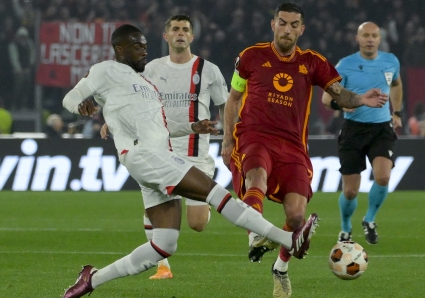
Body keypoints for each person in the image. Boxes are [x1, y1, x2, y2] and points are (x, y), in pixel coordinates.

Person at [61, 24, 318, 298]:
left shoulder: (146, 84)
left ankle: (91, 279)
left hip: (154, 157)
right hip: (145, 155)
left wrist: (193, 127)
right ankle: (288, 239)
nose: (144, 50)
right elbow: (71, 96)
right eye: (138, 45)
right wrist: (80, 106)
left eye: (146, 45)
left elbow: (160, 125)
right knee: (216, 193)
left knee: (164, 244)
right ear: (120, 48)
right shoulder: (105, 70)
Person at [222, 4, 389, 298]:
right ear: (273, 24)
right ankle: (255, 235)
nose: (288, 29)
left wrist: (361, 99)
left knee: (297, 216)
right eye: (283, 23)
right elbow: (233, 99)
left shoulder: (313, 62)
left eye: (294, 25)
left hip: (293, 146)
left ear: (302, 29)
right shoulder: (250, 56)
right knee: (256, 176)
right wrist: (227, 141)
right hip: (255, 135)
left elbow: (340, 95)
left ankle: (280, 269)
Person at [104, 14, 229, 280]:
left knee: (196, 224)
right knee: (155, 207)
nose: (180, 33)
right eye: (175, 29)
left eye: (185, 29)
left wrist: (230, 136)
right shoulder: (151, 69)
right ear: (166, 36)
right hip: (159, 151)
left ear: (192, 37)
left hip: (196, 154)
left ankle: (199, 205)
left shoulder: (209, 70)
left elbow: (225, 105)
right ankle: (163, 267)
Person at [321, 22, 403, 246]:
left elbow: (396, 84)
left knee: (383, 177)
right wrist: (342, 106)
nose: (370, 39)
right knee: (350, 191)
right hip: (353, 131)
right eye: (365, 35)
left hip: (381, 129)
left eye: (374, 35)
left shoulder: (391, 61)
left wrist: (398, 112)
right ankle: (346, 228)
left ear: (379, 39)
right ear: (357, 39)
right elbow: (327, 99)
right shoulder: (345, 65)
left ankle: (370, 220)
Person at [8, 26, 36, 110]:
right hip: (18, 72)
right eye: (21, 36)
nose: (23, 38)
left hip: (27, 70)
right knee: (17, 89)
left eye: (24, 36)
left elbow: (32, 54)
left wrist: (31, 65)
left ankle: (24, 105)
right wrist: (18, 69)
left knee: (26, 89)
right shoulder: (13, 45)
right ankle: (15, 105)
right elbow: (14, 58)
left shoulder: (29, 44)